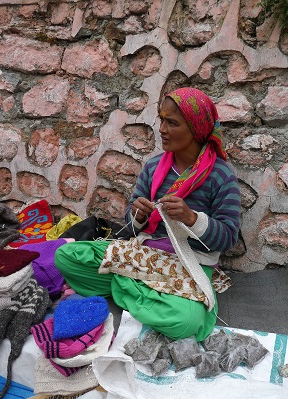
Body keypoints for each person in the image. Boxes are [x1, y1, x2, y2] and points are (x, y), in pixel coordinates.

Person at [54, 87, 241, 342]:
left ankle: (126, 285)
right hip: (144, 253)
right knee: (65, 256)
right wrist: (138, 216)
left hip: (189, 263)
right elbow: (130, 228)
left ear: (196, 129)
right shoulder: (154, 167)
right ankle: (147, 290)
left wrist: (191, 219)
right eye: (161, 119)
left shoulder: (220, 175)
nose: (162, 129)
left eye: (172, 122)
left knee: (186, 322)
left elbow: (228, 237)